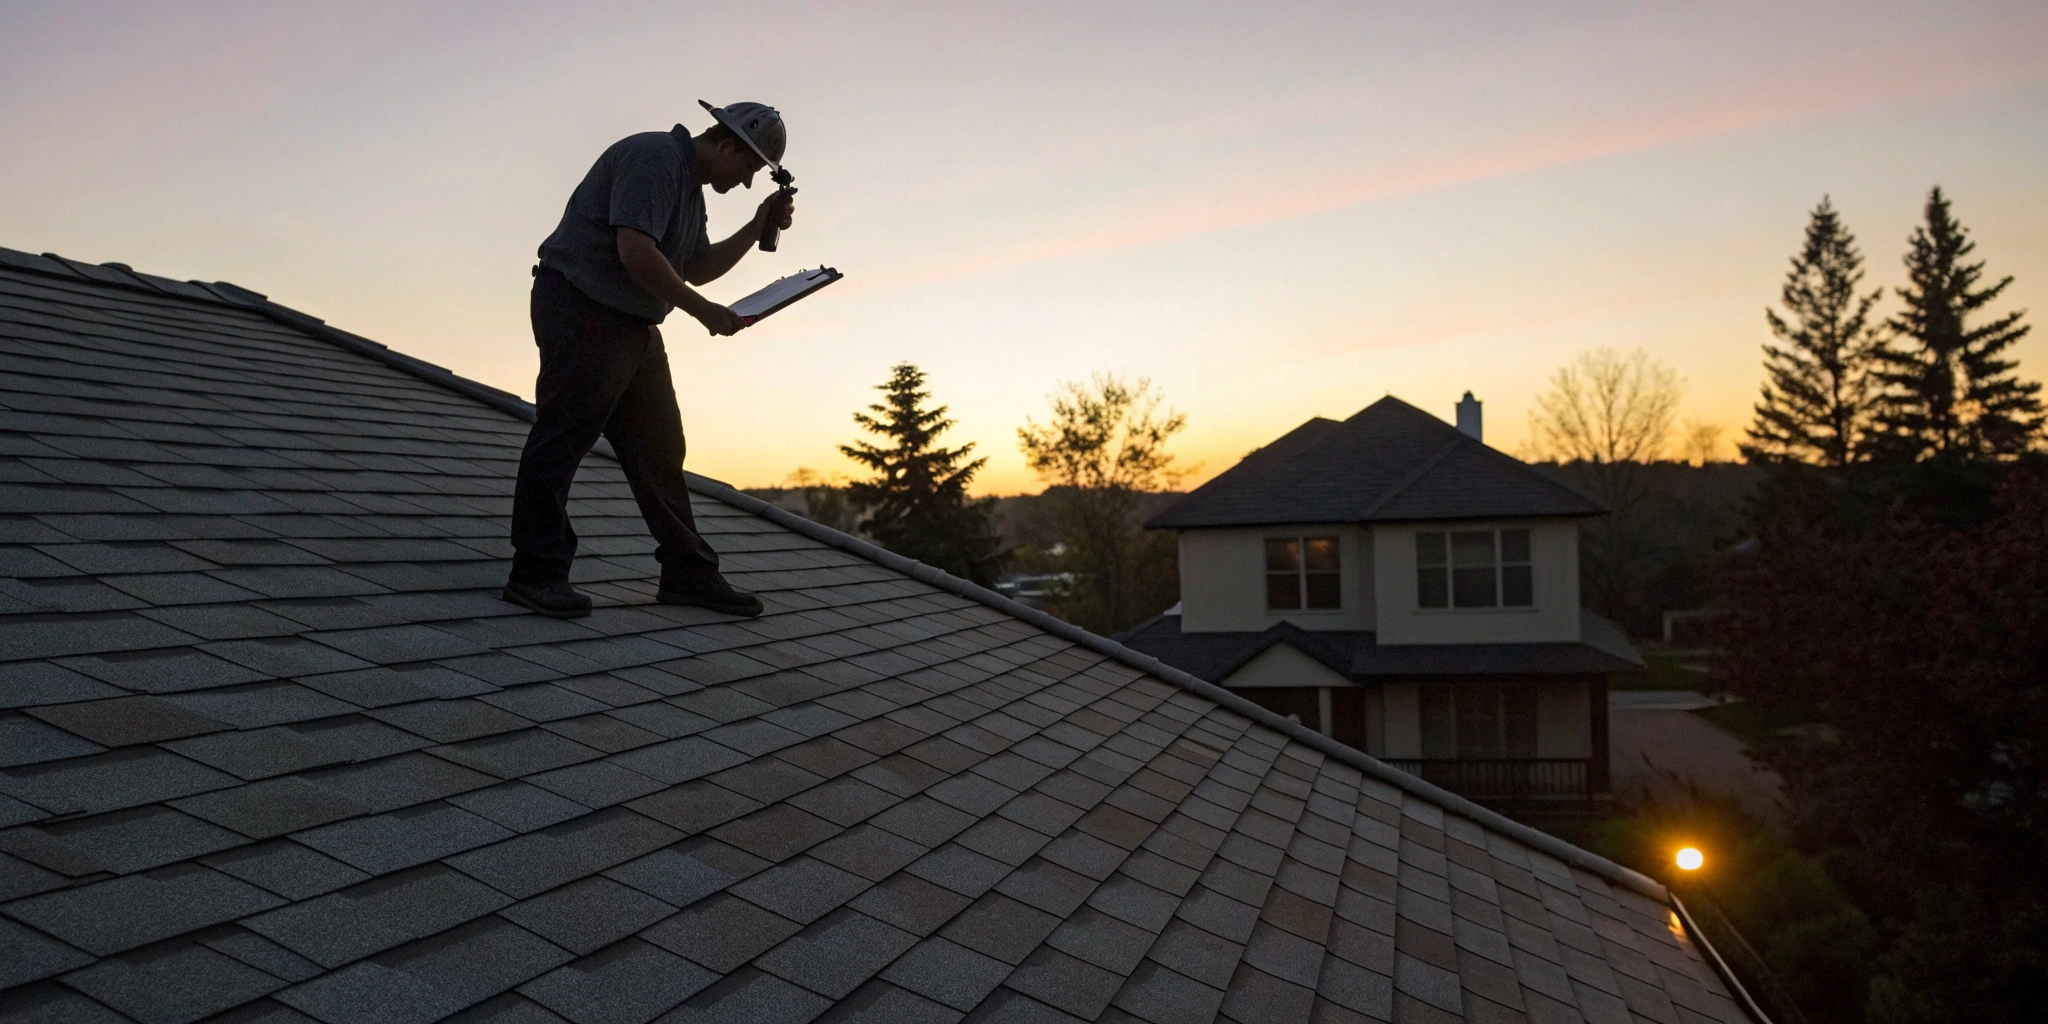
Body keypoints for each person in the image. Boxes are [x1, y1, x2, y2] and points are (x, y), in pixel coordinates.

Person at [502, 102, 795, 619]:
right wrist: (705, 314)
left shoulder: (688, 189)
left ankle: (688, 573)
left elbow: (697, 267)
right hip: (581, 306)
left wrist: (755, 228)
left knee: (660, 447)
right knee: (564, 433)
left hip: (632, 323)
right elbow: (635, 251)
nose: (750, 182)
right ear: (726, 146)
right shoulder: (655, 157)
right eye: (750, 169)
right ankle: (536, 572)